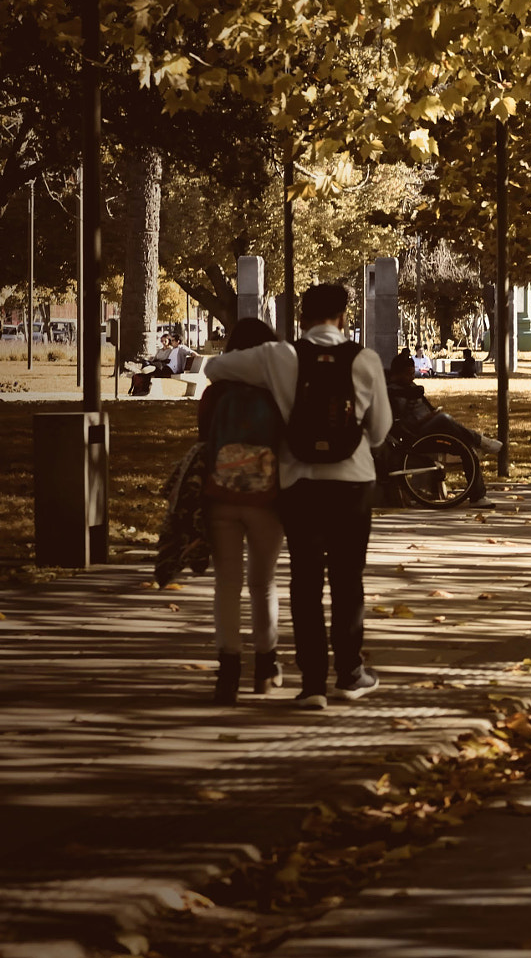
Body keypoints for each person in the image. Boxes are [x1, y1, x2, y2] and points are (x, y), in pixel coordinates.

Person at [203, 283, 391, 710]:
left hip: (298, 481)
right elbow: (379, 430)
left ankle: (312, 684)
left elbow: (216, 368)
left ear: (302, 317)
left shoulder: (279, 357)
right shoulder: (364, 360)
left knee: (305, 581)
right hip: (352, 482)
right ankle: (349, 672)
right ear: (344, 317)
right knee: (347, 579)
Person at [198, 318, 287, 705]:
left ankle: (228, 670)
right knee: (263, 583)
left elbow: (204, 440)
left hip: (221, 495)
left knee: (227, 585)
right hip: (267, 498)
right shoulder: (277, 391)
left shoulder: (216, 393)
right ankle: (266, 665)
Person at [386, 353, 503, 455]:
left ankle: (475, 444)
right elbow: (404, 424)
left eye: (413, 374)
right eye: (408, 374)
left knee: (450, 425)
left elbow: (425, 404)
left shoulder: (411, 387)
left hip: (427, 422)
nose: (412, 378)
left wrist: (432, 412)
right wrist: (427, 418)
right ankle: (479, 442)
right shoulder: (395, 393)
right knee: (443, 419)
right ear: (397, 374)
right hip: (417, 431)